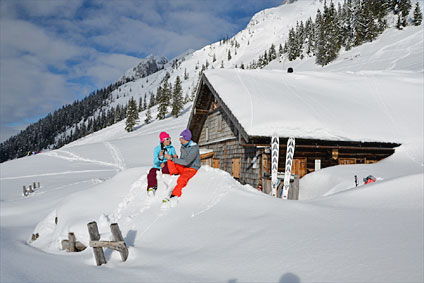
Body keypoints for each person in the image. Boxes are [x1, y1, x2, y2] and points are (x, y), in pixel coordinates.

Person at [163, 129, 201, 202]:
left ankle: (174, 195)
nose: (179, 139)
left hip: (191, 168)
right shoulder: (183, 146)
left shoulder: (194, 148)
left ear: (185, 138)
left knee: (182, 179)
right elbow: (182, 160)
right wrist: (172, 158)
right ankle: (174, 174)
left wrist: (172, 158)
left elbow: (186, 161)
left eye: (181, 138)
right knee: (170, 161)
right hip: (184, 167)